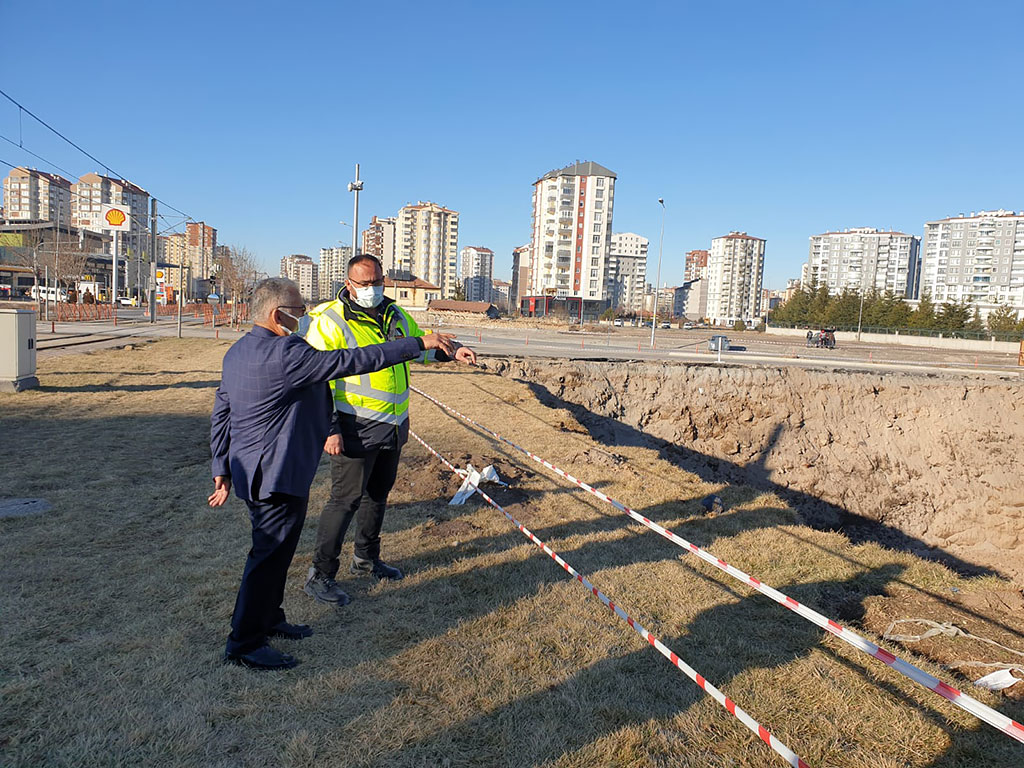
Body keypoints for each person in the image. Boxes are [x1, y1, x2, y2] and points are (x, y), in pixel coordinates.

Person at [209, 277, 455, 670]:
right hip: (276, 474)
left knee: (279, 552)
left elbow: (222, 409)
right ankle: (244, 642)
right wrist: (417, 343)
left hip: (255, 470)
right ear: (278, 315)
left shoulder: (239, 351)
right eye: (299, 308)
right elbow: (352, 360)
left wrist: (220, 465)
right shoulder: (287, 353)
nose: (305, 314)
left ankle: (270, 618)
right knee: (267, 557)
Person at [301, 255, 477, 604]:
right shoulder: (330, 321)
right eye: (364, 284)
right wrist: (330, 428)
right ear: (349, 283)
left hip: (394, 423)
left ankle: (366, 558)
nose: (372, 289)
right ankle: (320, 574)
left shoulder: (395, 314)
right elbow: (315, 380)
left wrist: (452, 353)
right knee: (344, 501)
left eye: (377, 281)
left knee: (377, 495)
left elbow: (419, 348)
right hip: (352, 425)